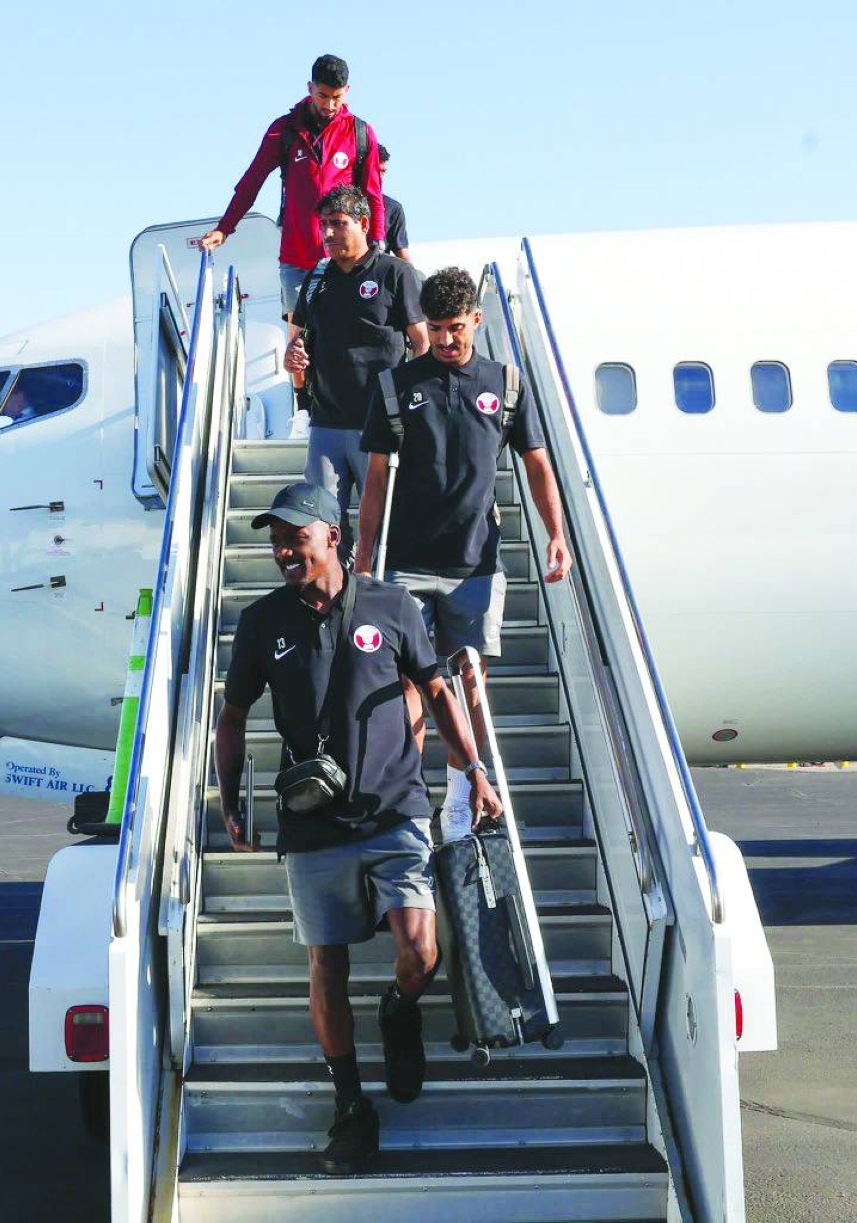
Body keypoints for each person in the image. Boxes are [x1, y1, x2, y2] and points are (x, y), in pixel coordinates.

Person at [215, 482, 502, 1174]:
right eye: (276, 538)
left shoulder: (390, 606)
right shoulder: (262, 623)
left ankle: (399, 1010)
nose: (284, 549)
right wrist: (232, 800)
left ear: (333, 537)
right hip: (311, 823)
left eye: (297, 536)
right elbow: (232, 714)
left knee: (420, 950)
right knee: (327, 965)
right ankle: (351, 1103)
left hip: (393, 810)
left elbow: (436, 690)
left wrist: (475, 770)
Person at [356, 267, 572, 839]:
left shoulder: (507, 383)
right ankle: (402, 804)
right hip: (406, 561)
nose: (448, 340)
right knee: (408, 686)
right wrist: (363, 556)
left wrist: (556, 533)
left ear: (476, 319)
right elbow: (376, 477)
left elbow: (536, 462)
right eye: (437, 329)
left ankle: (458, 799)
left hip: (475, 562)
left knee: (470, 680)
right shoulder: (397, 386)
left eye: (457, 328)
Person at [283, 186, 427, 561]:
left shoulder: (395, 274)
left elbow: (422, 344)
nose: (328, 233)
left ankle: (381, 598)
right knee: (319, 523)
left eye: (338, 223)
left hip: (379, 424)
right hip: (327, 423)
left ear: (363, 223)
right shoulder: (316, 279)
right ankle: (334, 600)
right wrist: (294, 361)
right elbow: (297, 342)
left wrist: (415, 405)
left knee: (382, 522)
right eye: (324, 224)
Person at [198, 54, 386, 321]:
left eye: (337, 97)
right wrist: (224, 228)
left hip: (347, 259)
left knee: (346, 338)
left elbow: (373, 195)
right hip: (297, 259)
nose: (330, 105)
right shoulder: (284, 130)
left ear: (347, 92)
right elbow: (251, 182)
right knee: (300, 347)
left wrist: (377, 242)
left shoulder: (360, 133)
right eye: (322, 96)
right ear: (310, 88)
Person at [377, 145, 412, 264]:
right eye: (375, 171)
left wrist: (416, 280)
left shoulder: (393, 208)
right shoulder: (341, 206)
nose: (380, 178)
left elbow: (402, 255)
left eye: (383, 172)